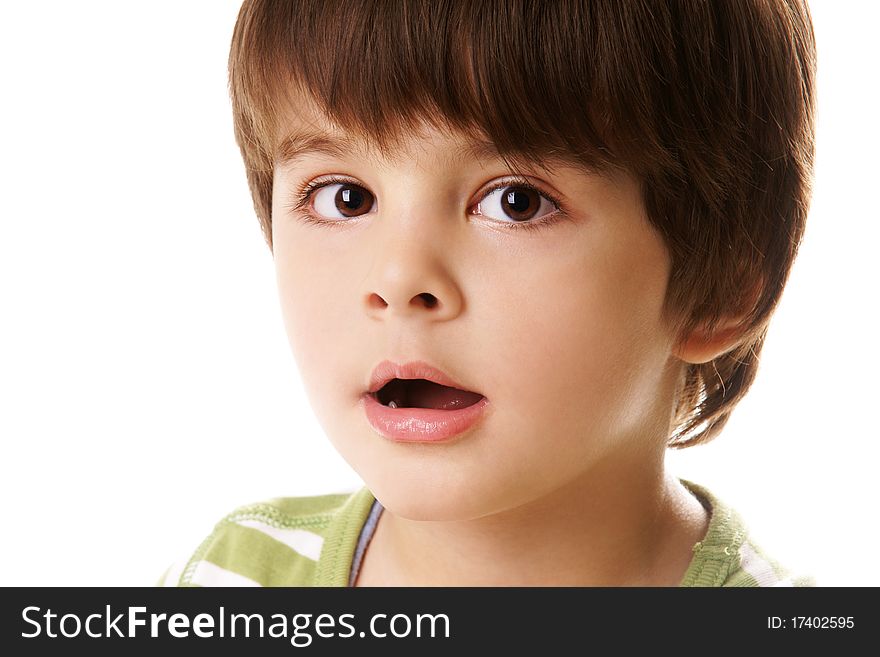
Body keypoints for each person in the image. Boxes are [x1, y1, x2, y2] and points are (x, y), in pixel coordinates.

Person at [159, 0, 817, 587]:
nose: (398, 279)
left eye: (516, 202)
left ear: (724, 287)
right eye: (345, 197)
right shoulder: (233, 581)